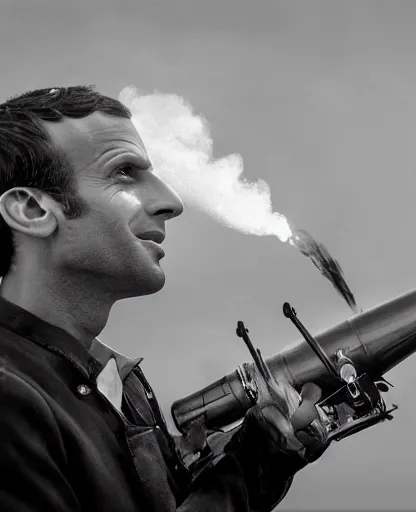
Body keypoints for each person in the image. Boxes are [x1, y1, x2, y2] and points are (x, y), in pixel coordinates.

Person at [0, 86, 330, 512]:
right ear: (31, 210)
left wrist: (266, 450)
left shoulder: (119, 381)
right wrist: (250, 465)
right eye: (123, 172)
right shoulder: (9, 399)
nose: (171, 202)